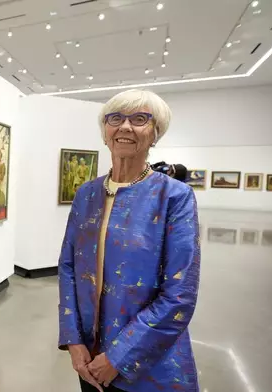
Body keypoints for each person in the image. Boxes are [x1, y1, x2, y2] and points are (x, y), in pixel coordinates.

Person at [57, 89, 201, 392]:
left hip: (148, 363)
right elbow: (69, 266)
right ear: (104, 132)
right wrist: (73, 341)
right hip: (88, 358)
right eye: (115, 118)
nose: (125, 127)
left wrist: (118, 358)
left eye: (139, 119)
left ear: (155, 134)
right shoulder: (86, 193)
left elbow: (180, 294)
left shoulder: (174, 196)